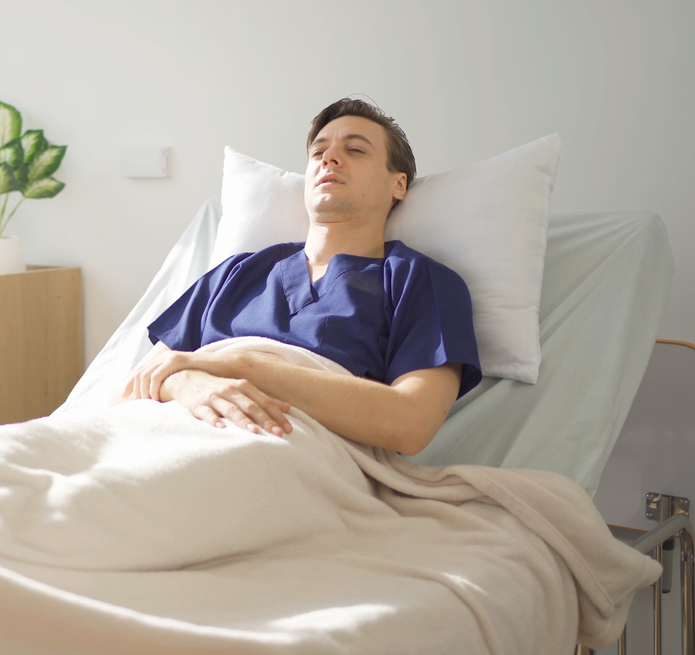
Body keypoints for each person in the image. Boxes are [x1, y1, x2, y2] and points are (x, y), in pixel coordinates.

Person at [115, 98, 481, 456]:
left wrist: (243, 366)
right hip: (161, 435)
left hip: (280, 453)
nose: (329, 158)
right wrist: (187, 383)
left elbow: (411, 423)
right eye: (318, 152)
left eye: (355, 150)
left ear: (398, 185)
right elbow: (135, 388)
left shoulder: (419, 281)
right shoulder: (234, 273)